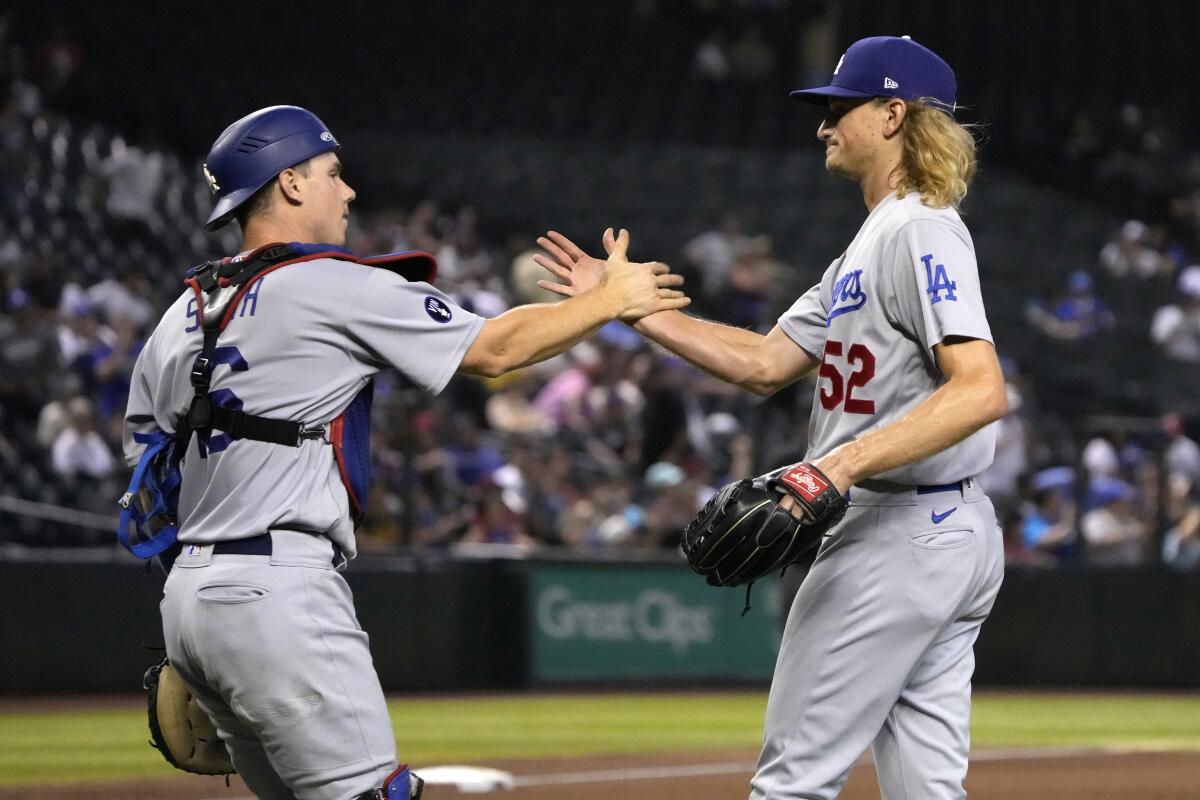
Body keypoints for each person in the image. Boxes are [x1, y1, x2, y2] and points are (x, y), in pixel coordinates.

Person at [122, 105, 687, 800]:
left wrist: (208, 616)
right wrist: (611, 300)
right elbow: (498, 350)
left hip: (189, 601)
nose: (350, 190)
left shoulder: (181, 312)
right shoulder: (330, 283)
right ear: (291, 183)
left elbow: (146, 473)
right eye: (333, 173)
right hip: (279, 592)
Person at [536, 36, 1006, 800]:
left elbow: (980, 389)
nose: (823, 126)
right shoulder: (872, 240)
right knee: (926, 789)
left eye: (839, 109)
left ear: (894, 115)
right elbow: (762, 363)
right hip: (933, 531)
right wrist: (626, 308)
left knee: (792, 781)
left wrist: (839, 464)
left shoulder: (921, 226)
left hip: (896, 530)